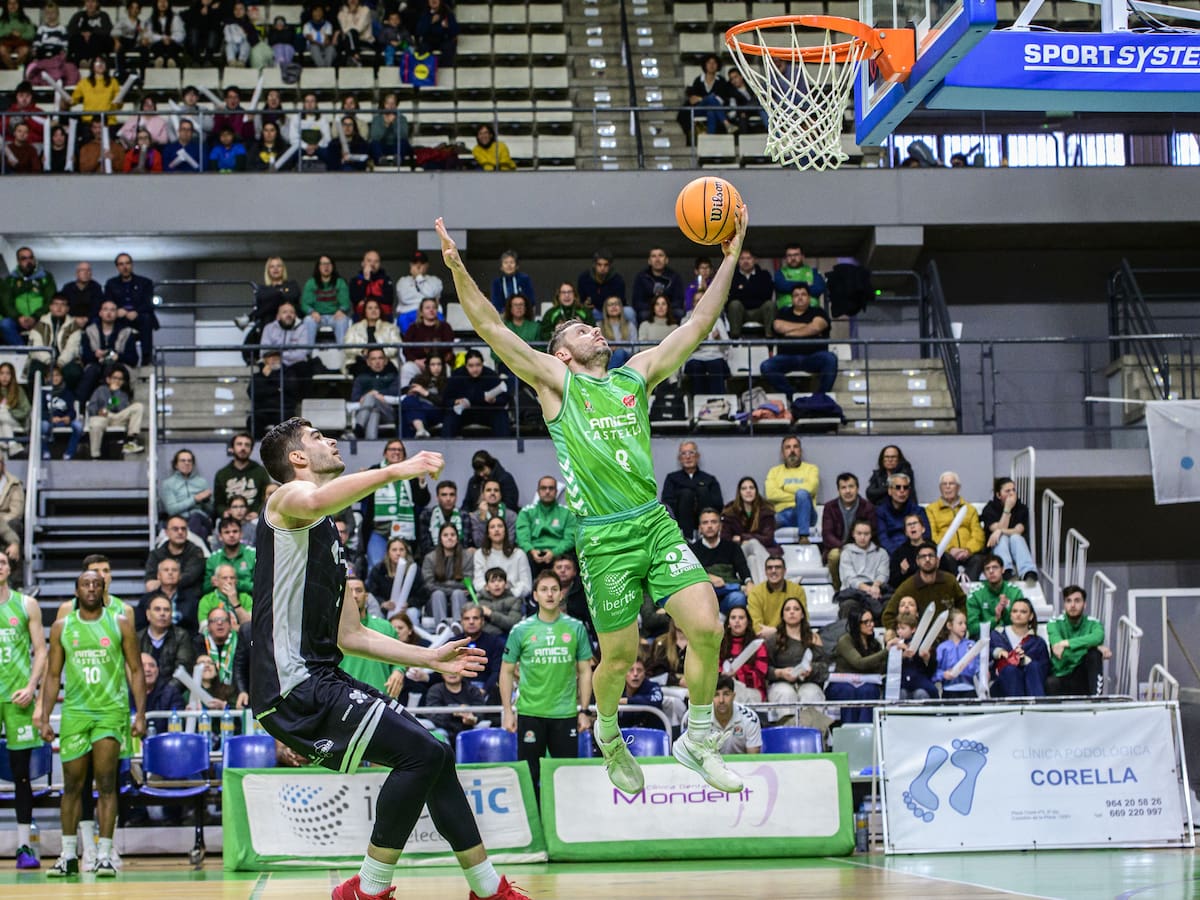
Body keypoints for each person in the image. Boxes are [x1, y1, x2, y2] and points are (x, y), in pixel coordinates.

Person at [439, 209, 749, 796]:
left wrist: (731, 256)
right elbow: (492, 330)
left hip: (652, 523)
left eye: (593, 327)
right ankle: (608, 734)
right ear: (560, 354)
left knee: (707, 626)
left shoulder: (636, 375)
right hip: (603, 537)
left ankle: (698, 739)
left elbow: (699, 322)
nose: (595, 331)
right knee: (618, 656)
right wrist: (457, 269)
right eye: (581, 331)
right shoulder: (558, 385)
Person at [250, 419, 524, 900]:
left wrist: (430, 656)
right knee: (420, 754)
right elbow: (312, 499)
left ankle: (488, 889)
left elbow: (352, 635)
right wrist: (395, 471)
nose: (329, 441)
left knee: (435, 754)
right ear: (297, 458)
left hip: (319, 678)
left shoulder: (327, 534)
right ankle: (367, 889)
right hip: (293, 686)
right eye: (316, 438)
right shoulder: (286, 501)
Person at [41, 570, 146, 878]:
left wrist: (140, 713)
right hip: (76, 712)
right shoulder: (62, 626)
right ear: (77, 590)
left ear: (103, 590)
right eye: (85, 584)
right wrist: (44, 716)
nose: (90, 588)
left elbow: (137, 669)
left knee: (107, 783)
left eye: (96, 585)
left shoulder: (120, 624)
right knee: (72, 785)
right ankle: (68, 854)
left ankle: (104, 854)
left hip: (109, 712)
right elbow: (51, 675)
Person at [500, 569, 592, 792]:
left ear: (561, 594)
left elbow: (586, 670)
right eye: (544, 590)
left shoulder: (576, 628)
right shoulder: (520, 630)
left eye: (554, 589)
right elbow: (505, 671)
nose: (549, 594)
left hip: (566, 714)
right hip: (530, 713)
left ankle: (565, 826)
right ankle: (532, 825)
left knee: (566, 779)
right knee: (529, 778)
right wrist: (508, 711)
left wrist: (585, 710)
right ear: (535, 596)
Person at [0, 554, 46, 869]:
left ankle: (23, 848)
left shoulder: (26, 604)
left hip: (18, 697)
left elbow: (41, 650)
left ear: (9, 568)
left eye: (2, 561)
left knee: (22, 776)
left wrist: (32, 687)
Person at [759, 285, 837, 402]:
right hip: (787, 358)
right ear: (792, 299)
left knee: (830, 359)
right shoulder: (783, 312)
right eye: (796, 295)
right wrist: (807, 327)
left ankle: (821, 397)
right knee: (766, 366)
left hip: (814, 357)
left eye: (803, 294)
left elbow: (816, 327)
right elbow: (778, 326)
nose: (800, 298)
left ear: (809, 298)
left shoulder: (819, 311)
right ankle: (794, 396)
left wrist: (789, 332)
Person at [765, 597, 830, 730]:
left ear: (802, 614)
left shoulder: (814, 638)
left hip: (808, 682)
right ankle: (788, 735)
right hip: (781, 683)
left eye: (796, 609)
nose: (792, 612)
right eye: (788, 609)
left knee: (811, 694)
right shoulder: (773, 640)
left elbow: (824, 669)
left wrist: (811, 670)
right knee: (785, 693)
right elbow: (764, 669)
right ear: (783, 615)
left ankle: (813, 736)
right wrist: (780, 673)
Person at [337, 577, 405, 698]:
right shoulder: (332, 630)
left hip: (383, 700)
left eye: (359, 590)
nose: (354, 595)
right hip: (347, 701)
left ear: (367, 596)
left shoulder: (386, 627)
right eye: (349, 591)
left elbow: (401, 659)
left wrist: (398, 672)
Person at [882, 540, 967, 637]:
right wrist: (905, 631)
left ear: (937, 560)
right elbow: (887, 616)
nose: (927, 559)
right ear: (917, 561)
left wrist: (959, 624)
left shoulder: (949, 581)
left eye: (931, 556)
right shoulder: (908, 586)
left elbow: (962, 603)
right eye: (923, 557)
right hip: (919, 641)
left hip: (948, 637)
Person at [1045, 584, 1109, 697]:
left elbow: (1098, 637)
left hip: (1083, 676)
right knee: (1051, 682)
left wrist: (1067, 643)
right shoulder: (1053, 623)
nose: (1073, 605)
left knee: (1094, 655)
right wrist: (1092, 646)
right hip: (1061, 676)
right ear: (1064, 604)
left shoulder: (1093, 623)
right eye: (1068, 601)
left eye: (1077, 601)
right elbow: (1061, 653)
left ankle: (1096, 700)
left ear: (1085, 604)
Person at [825, 604, 885, 724]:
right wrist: (886, 651)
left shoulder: (875, 644)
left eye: (872, 621)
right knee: (849, 692)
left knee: (868, 690)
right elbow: (859, 663)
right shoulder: (845, 641)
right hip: (842, 683)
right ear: (856, 624)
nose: (871, 625)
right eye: (866, 622)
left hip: (866, 683)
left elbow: (880, 668)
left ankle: (865, 732)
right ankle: (849, 732)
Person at [689, 508, 752, 616]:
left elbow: (743, 569)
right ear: (700, 528)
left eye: (713, 522)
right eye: (705, 522)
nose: (709, 526)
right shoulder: (691, 550)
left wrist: (749, 582)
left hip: (728, 595)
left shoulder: (732, 547)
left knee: (738, 597)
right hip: (703, 595)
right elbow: (689, 574)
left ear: (720, 526)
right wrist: (708, 577)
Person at [926, 470, 987, 581]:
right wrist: (951, 549)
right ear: (940, 488)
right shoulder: (931, 509)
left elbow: (978, 534)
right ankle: (953, 589)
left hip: (968, 553)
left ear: (958, 487)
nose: (948, 487)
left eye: (951, 484)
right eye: (944, 484)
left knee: (978, 559)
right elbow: (933, 535)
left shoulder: (969, 509)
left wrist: (967, 550)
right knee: (944, 559)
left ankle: (969, 591)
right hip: (947, 553)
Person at [661, 440, 723, 541]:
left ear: (697, 456)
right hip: (680, 524)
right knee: (686, 494)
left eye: (691, 453)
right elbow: (667, 504)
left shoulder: (709, 479)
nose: (688, 457)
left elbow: (718, 505)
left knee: (703, 491)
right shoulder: (672, 479)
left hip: (706, 525)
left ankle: (703, 535)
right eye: (684, 453)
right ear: (679, 458)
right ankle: (688, 537)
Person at [720, 476, 778, 583]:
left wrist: (742, 537)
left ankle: (758, 589)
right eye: (744, 488)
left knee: (752, 559)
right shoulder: (730, 511)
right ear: (739, 492)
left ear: (756, 491)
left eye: (751, 488)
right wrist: (745, 541)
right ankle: (774, 581)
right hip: (738, 552)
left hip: (762, 551)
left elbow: (768, 538)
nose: (748, 491)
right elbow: (725, 539)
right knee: (752, 543)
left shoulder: (766, 510)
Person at [821, 472, 876, 583]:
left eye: (851, 486)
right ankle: (838, 590)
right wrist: (845, 548)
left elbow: (873, 531)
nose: (848, 491)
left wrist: (857, 547)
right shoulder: (830, 507)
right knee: (834, 555)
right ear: (839, 490)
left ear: (857, 488)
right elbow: (827, 535)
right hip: (839, 548)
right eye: (843, 487)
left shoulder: (867, 507)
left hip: (862, 547)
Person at [515, 475, 577, 576]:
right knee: (520, 556)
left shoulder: (567, 513)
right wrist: (531, 551)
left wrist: (554, 553)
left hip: (559, 554)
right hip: (532, 554)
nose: (547, 491)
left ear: (556, 491)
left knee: (570, 559)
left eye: (551, 488)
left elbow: (570, 539)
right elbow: (522, 538)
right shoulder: (526, 511)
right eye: (543, 488)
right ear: (538, 491)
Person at [103, 252, 156, 366]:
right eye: (121, 264)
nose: (125, 267)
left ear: (132, 265)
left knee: (147, 318)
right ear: (117, 267)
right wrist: (116, 311)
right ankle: (112, 359)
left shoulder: (145, 282)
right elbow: (107, 302)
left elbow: (149, 303)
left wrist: (136, 312)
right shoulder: (111, 284)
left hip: (139, 317)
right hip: (119, 318)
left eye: (127, 263)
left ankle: (147, 359)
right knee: (107, 319)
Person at [981, 477, 1037, 583]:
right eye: (1007, 491)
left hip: (1016, 547)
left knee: (1016, 537)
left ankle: (1028, 572)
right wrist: (1007, 509)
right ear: (998, 495)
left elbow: (1018, 530)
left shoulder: (1021, 508)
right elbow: (995, 528)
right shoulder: (989, 509)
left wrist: (1000, 531)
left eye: (1013, 490)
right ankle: (1006, 570)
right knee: (1002, 539)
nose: (1012, 494)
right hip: (995, 549)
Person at [989, 597, 1049, 698]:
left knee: (1034, 666)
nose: (1018, 614)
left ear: (1031, 616)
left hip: (1030, 686)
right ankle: (1016, 709)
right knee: (1010, 670)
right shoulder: (997, 634)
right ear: (1010, 615)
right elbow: (985, 657)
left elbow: (1045, 669)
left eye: (1023, 612)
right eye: (1014, 611)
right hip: (1002, 685)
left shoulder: (1038, 642)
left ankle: (1038, 708)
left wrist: (1026, 661)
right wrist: (998, 652)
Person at [444, 349, 511, 438]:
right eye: (471, 366)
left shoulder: (490, 374)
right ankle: (446, 447)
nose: (475, 369)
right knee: (450, 416)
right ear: (466, 365)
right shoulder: (457, 375)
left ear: (482, 364)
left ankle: (504, 447)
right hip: (464, 412)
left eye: (478, 365)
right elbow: (445, 399)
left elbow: (505, 398)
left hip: (486, 411)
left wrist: (494, 400)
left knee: (501, 415)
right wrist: (456, 401)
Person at [136, 592, 195, 692]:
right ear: (148, 614)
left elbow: (183, 670)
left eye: (166, 610)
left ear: (171, 614)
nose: (162, 614)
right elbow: (132, 669)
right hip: (142, 692)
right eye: (157, 609)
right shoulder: (138, 637)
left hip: (172, 694)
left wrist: (166, 693)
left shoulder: (181, 636)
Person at [765, 435, 819, 540]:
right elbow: (771, 494)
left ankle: (804, 537)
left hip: (808, 514)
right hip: (784, 515)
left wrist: (784, 487)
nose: (792, 450)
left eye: (795, 446)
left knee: (802, 494)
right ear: (782, 453)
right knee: (765, 523)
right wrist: (798, 496)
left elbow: (811, 489)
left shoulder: (811, 469)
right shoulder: (774, 471)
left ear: (801, 451)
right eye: (788, 447)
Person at [0, 246, 54, 348]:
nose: (28, 261)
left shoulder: (46, 277)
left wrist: (35, 317)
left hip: (40, 318)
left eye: (30, 257)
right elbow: (6, 303)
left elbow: (50, 300)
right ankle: (24, 352)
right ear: (18, 261)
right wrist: (18, 317)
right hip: (18, 319)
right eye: (24, 259)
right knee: (4, 324)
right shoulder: (11, 280)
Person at [85, 366, 145, 458]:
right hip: (101, 417)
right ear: (108, 379)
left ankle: (130, 441)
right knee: (96, 423)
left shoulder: (123, 394)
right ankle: (95, 456)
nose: (117, 381)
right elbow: (91, 407)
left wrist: (116, 392)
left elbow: (121, 409)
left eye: (120, 379)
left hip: (116, 418)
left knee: (138, 406)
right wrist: (98, 411)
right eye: (115, 378)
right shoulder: (100, 390)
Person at [421, 522, 474, 626]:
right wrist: (452, 588)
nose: (449, 538)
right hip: (435, 603)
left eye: (452, 535)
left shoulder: (467, 556)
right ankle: (441, 626)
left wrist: (441, 585)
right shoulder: (430, 558)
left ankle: (458, 625)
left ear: (457, 538)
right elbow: (429, 585)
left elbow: (467, 582)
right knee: (438, 594)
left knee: (457, 593)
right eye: (445, 535)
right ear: (440, 538)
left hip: (460, 600)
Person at [837, 520, 891, 618]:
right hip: (853, 593)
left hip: (877, 590)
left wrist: (876, 585)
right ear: (853, 534)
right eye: (859, 533)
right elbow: (849, 578)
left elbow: (883, 574)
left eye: (866, 534)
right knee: (848, 606)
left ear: (871, 535)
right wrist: (868, 589)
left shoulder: (882, 553)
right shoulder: (846, 552)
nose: (863, 537)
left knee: (890, 605)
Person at [423, 666, 488, 742]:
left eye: (456, 670)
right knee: (438, 735)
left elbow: (480, 712)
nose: (452, 673)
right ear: (441, 674)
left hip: (469, 729)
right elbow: (433, 714)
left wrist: (473, 719)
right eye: (447, 671)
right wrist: (454, 712)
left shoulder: (473, 690)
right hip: (443, 729)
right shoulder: (435, 690)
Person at [214, 433, 272, 518]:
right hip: (230, 519)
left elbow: (266, 498)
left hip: (255, 518)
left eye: (247, 445)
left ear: (251, 449)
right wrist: (224, 512)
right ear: (232, 448)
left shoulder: (260, 472)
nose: (243, 448)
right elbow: (218, 502)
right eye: (239, 444)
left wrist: (257, 512)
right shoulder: (222, 474)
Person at [965, 554, 1023, 640]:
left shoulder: (1015, 592)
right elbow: (972, 628)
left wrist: (1005, 611)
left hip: (1011, 637)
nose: (991, 571)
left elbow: (1021, 622)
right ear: (984, 573)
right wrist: (995, 619)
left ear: (1003, 570)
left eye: (995, 567)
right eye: (987, 569)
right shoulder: (976, 594)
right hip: (985, 639)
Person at [473, 518, 531, 601]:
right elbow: (478, 583)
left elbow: (526, 585)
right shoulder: (480, 554)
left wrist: (509, 594)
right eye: (492, 527)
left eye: (500, 526)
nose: (496, 529)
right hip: (488, 599)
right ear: (488, 533)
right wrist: (493, 592)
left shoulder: (519, 554)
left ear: (505, 531)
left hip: (513, 599)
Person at [161, 448, 215, 538]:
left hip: (200, 518)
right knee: (202, 531)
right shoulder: (168, 484)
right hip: (179, 520)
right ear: (176, 465)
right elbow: (171, 510)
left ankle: (189, 545)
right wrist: (195, 499)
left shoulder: (202, 482)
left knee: (196, 517)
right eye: (183, 461)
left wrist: (206, 501)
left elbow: (211, 511)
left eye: (189, 461)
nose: (187, 463)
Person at [718, 606, 766, 703]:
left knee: (735, 692)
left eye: (741, 618)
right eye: (733, 618)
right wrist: (722, 674)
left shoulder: (757, 645)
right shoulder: (719, 644)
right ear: (728, 623)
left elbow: (761, 674)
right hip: (722, 689)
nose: (737, 621)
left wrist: (737, 675)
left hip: (752, 690)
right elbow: (713, 669)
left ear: (747, 622)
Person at [301, 255, 352, 345]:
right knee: (308, 320)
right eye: (323, 264)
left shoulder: (340, 282)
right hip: (317, 316)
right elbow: (304, 304)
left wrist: (341, 310)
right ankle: (308, 354)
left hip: (335, 316)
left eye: (329, 264)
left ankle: (343, 353)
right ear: (318, 267)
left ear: (333, 266)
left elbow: (345, 303)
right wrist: (312, 312)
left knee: (343, 321)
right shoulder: (311, 283)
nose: (326, 266)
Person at [876, 472, 930, 556]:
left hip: (916, 552)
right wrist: (898, 555)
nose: (902, 491)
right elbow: (883, 538)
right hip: (891, 554)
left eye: (905, 488)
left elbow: (926, 535)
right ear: (889, 491)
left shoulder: (918, 510)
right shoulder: (881, 511)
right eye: (898, 487)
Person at [344, 297, 402, 375]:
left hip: (385, 361)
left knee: (387, 368)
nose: (373, 310)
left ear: (380, 311)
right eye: (370, 308)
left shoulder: (390, 328)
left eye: (376, 308)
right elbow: (348, 348)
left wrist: (381, 354)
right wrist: (361, 352)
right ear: (365, 311)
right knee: (360, 368)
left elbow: (396, 346)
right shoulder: (354, 329)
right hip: (361, 361)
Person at [726, 249, 775, 338]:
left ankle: (770, 339)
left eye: (748, 258)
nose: (745, 261)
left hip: (759, 311)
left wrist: (743, 291)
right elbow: (730, 297)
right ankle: (735, 340)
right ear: (738, 260)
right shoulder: (732, 277)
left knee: (770, 305)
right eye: (742, 258)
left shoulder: (764, 275)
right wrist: (753, 291)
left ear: (755, 260)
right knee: (734, 305)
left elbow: (767, 295)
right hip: (740, 312)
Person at [630, 247, 685, 324]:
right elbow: (637, 302)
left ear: (666, 260)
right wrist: (655, 308)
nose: (657, 259)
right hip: (648, 310)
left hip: (670, 309)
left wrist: (664, 308)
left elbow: (679, 301)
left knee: (680, 313)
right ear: (649, 261)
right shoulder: (642, 277)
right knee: (642, 315)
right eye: (653, 256)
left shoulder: (674, 277)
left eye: (660, 255)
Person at [709, 674, 762, 754]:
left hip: (743, 765)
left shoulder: (750, 719)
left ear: (733, 696)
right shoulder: (698, 718)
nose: (721, 700)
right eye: (716, 695)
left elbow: (753, 760)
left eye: (726, 694)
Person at [463, 453, 520, 522]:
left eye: (483, 469)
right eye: (478, 471)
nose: (481, 474)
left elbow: (511, 505)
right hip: (476, 519)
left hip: (502, 520)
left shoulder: (505, 479)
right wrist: (469, 514)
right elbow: (466, 504)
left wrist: (492, 512)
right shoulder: (473, 482)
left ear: (490, 465)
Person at [934, 609, 979, 697]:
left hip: (969, 688)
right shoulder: (942, 648)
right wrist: (943, 674)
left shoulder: (971, 645)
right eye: (960, 623)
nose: (964, 627)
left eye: (965, 623)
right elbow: (935, 671)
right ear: (949, 625)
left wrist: (983, 673)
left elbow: (977, 666)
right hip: (949, 689)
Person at [893, 612, 938, 700]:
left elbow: (931, 669)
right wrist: (901, 656)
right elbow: (891, 667)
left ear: (913, 629)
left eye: (903, 628)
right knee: (900, 693)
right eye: (898, 629)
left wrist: (927, 658)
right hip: (902, 681)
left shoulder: (923, 644)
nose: (899, 631)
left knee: (930, 691)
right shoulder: (895, 644)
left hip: (919, 679)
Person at [394, 251, 442, 333]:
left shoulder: (435, 280)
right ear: (410, 265)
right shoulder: (402, 281)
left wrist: (419, 278)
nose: (418, 266)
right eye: (415, 263)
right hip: (408, 313)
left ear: (427, 265)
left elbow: (430, 296)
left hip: (431, 311)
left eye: (422, 263)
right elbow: (405, 298)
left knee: (440, 320)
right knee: (403, 320)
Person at [400, 354, 447, 438]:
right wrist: (411, 391)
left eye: (439, 364)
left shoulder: (447, 382)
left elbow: (444, 402)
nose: (436, 368)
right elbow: (404, 391)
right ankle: (420, 431)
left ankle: (418, 432)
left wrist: (425, 393)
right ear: (428, 366)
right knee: (408, 401)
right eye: (433, 365)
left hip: (436, 412)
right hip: (419, 410)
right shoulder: (418, 379)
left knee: (408, 408)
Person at [418, 479, 468, 557]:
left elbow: (464, 544)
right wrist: (447, 552)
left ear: (456, 497)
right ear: (437, 497)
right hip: (433, 559)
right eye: (444, 495)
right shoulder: (427, 515)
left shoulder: (463, 515)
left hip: (457, 558)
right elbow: (425, 547)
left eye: (452, 495)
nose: (448, 499)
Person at [577, 249, 627, 321]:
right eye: (599, 264)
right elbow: (580, 301)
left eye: (606, 265)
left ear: (610, 266)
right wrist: (585, 304)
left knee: (629, 312)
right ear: (594, 265)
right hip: (594, 312)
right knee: (582, 313)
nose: (602, 268)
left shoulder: (618, 280)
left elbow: (621, 301)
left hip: (613, 311)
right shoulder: (584, 278)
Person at [467, 479, 517, 547]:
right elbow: (479, 544)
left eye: (496, 490)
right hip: (484, 555)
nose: (492, 493)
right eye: (488, 490)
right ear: (483, 495)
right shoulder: (475, 517)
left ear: (500, 495)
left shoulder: (511, 516)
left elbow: (510, 542)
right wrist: (482, 519)